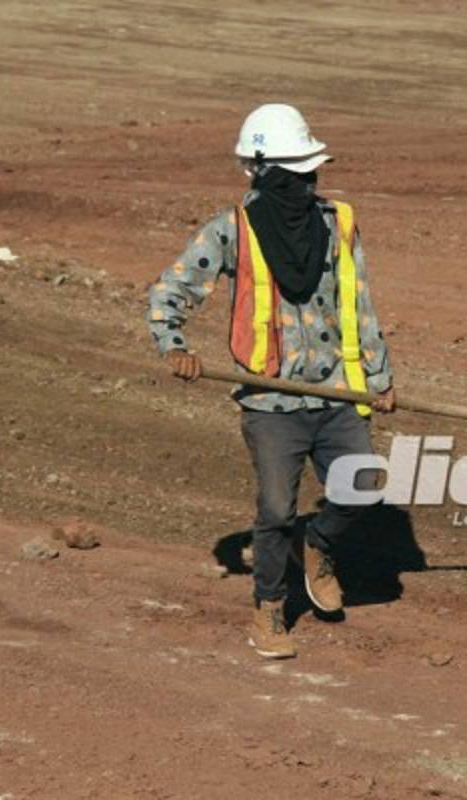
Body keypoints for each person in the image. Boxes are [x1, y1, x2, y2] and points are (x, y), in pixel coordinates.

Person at [146, 104, 395, 659]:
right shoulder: (230, 230)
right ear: (264, 174)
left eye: (312, 175)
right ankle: (269, 611)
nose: (307, 186)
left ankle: (320, 544)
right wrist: (176, 347)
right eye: (296, 176)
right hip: (270, 401)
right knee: (276, 511)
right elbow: (169, 294)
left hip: (339, 389)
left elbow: (361, 306)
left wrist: (379, 376)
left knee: (365, 486)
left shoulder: (338, 225)